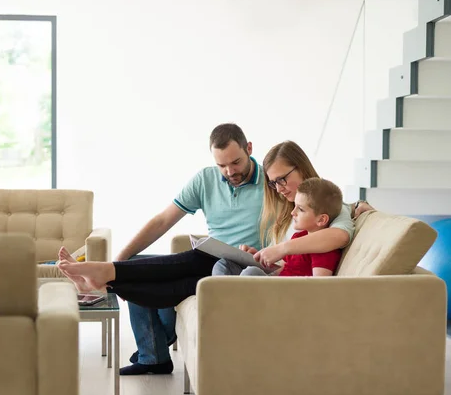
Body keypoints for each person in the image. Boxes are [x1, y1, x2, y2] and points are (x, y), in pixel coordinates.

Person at [59, 138, 372, 375]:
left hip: (266, 282)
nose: (277, 188)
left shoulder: (326, 206)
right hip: (262, 269)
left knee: (191, 269)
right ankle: (110, 278)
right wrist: (265, 255)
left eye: (281, 179)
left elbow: (338, 233)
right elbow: (290, 263)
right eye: (272, 181)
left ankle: (108, 278)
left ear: (302, 168)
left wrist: (282, 248)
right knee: (187, 265)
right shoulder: (291, 206)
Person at [214, 177, 344, 278]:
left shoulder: (324, 250)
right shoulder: (298, 237)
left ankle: (233, 305)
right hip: (275, 283)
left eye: (301, 209)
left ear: (321, 219)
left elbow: (321, 287)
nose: (293, 213)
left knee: (251, 273)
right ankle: (223, 304)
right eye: (295, 206)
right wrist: (260, 259)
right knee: (225, 264)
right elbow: (283, 269)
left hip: (285, 296)